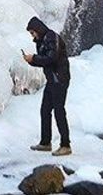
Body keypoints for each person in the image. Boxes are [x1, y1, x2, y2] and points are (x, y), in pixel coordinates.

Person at [22, 16, 71, 156]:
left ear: (38, 29)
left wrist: (34, 59)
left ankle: (65, 145)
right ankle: (45, 142)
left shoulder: (51, 37)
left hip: (59, 79)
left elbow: (52, 58)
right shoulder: (42, 40)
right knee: (45, 110)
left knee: (59, 111)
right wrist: (31, 61)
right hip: (52, 80)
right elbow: (44, 61)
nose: (32, 36)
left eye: (33, 32)